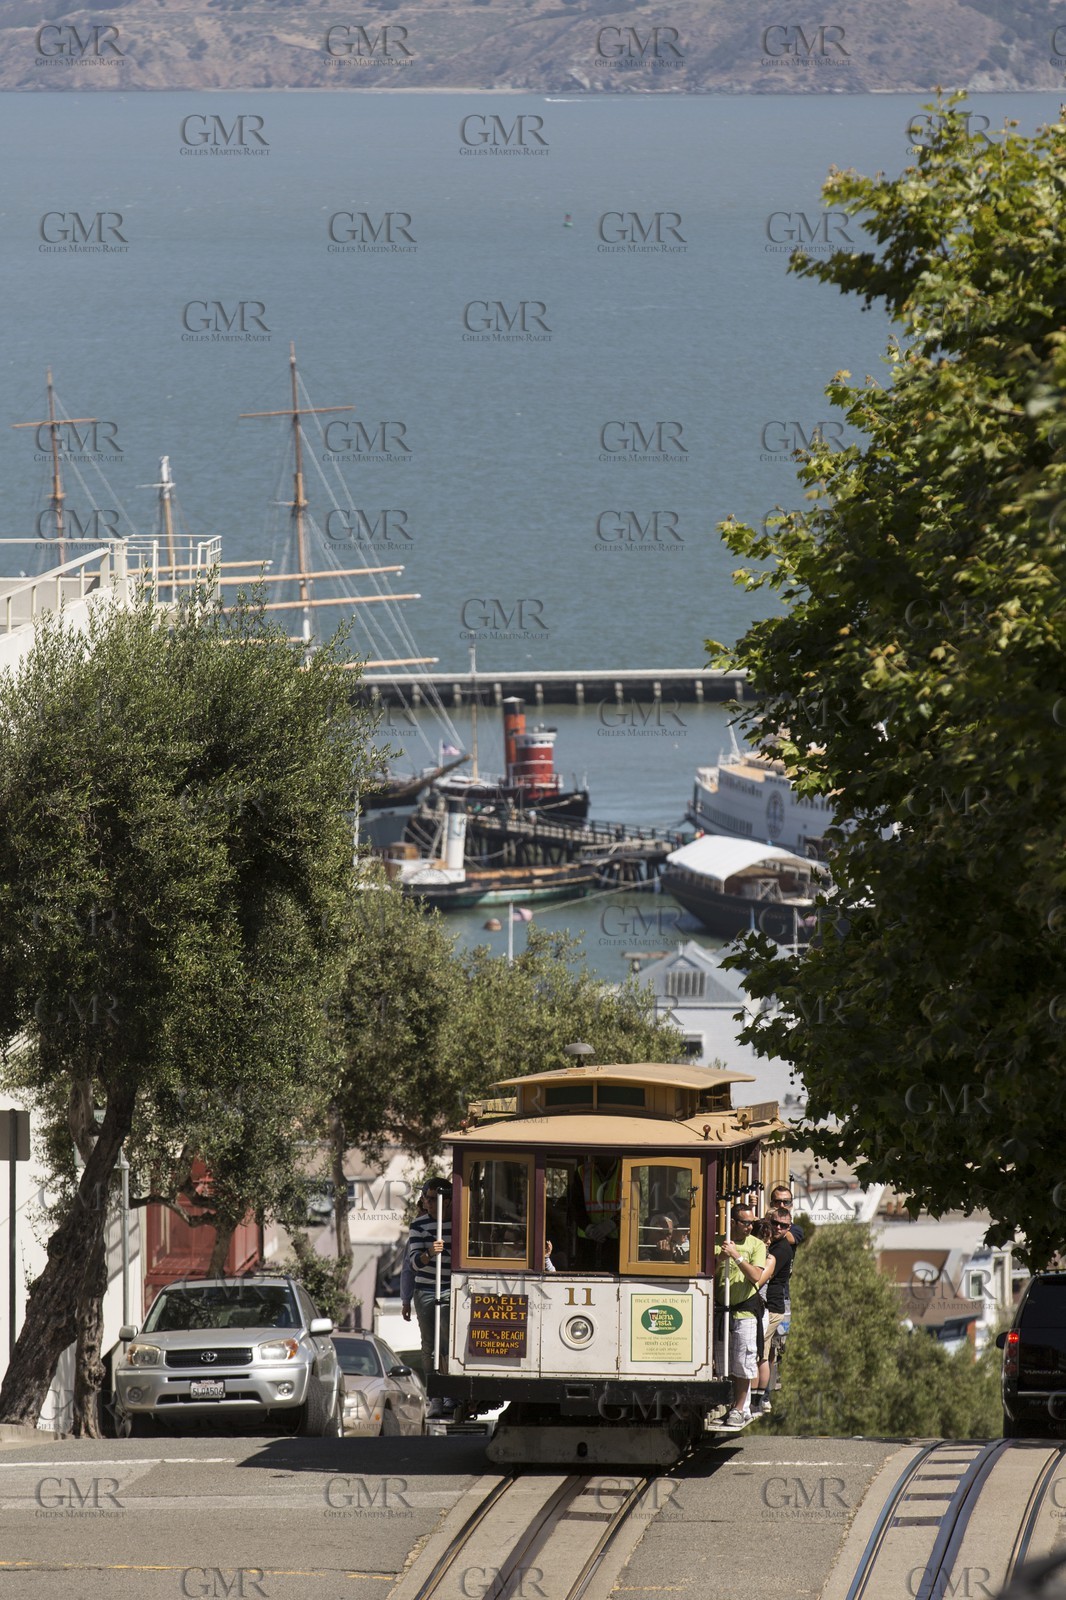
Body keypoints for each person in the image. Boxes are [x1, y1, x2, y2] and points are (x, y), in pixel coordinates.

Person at [403, 1178, 453, 1416]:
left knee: (448, 1343)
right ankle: (435, 1397)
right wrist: (430, 1253)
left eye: (433, 1199)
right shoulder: (418, 1224)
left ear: (447, 1201)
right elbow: (412, 1264)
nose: (428, 1203)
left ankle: (451, 1392)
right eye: (425, 1198)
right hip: (425, 1289)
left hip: (450, 1288)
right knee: (429, 1347)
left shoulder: (459, 1223)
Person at [715, 1203, 767, 1428]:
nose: (749, 1227)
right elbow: (707, 1271)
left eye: (752, 1223)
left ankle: (739, 1408)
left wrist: (736, 1256)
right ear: (733, 1222)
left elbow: (756, 1276)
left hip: (745, 1311)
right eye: (745, 1223)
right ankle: (729, 1407)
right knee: (724, 1363)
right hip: (721, 1310)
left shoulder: (757, 1245)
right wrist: (720, 1258)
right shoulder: (718, 1242)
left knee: (743, 1361)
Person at [762, 1209, 796, 1404]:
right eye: (774, 1223)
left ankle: (761, 1397)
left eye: (783, 1226)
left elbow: (765, 1275)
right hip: (770, 1306)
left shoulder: (782, 1249)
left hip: (773, 1307)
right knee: (763, 1351)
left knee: (762, 1353)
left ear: (788, 1228)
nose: (778, 1228)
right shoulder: (772, 1244)